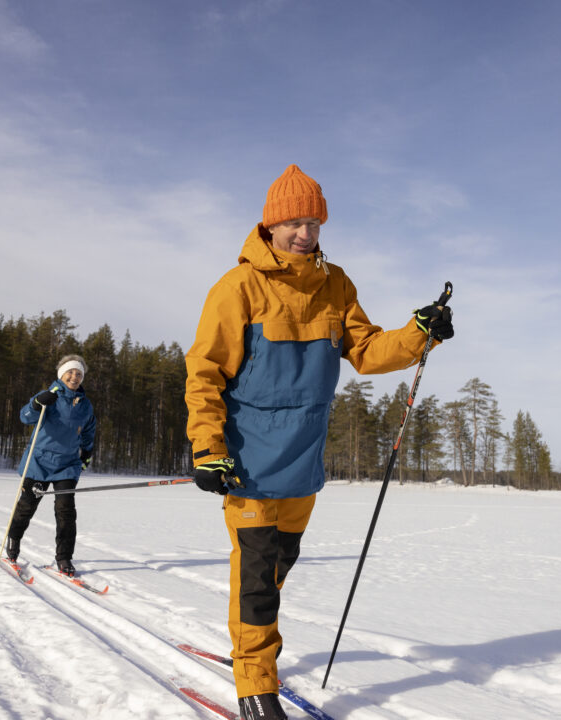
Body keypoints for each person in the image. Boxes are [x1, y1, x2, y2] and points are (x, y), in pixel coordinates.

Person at [184, 164, 454, 719]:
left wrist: (418, 332)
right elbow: (204, 371)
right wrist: (208, 448)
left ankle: (249, 632)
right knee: (257, 575)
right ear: (270, 224)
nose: (305, 233)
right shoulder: (238, 288)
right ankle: (254, 680)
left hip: (303, 465)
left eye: (314, 222)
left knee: (278, 565)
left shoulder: (336, 287)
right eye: (293, 223)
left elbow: (368, 350)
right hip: (249, 464)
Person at [6, 354, 97, 577]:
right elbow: (25, 417)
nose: (74, 377)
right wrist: (36, 404)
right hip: (39, 462)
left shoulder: (85, 405)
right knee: (27, 507)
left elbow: (88, 431)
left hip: (67, 465)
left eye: (79, 374)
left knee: (66, 511)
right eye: (70, 372)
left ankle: (64, 558)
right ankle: (14, 540)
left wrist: (86, 453)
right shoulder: (49, 396)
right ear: (61, 374)